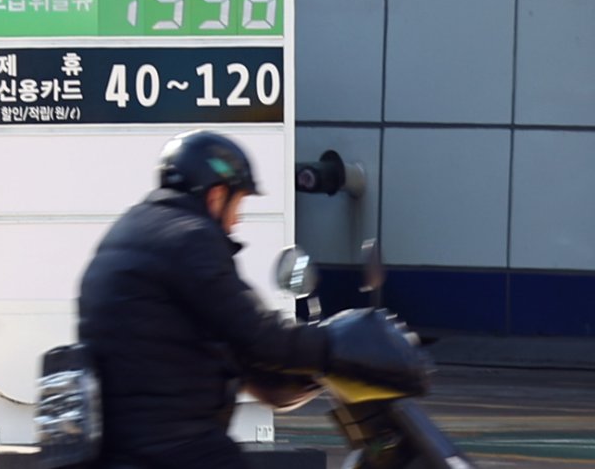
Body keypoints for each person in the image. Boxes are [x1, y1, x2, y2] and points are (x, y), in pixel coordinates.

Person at [77, 130, 429, 469]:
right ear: (216, 195)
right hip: (174, 446)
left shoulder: (133, 229)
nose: (236, 219)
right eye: (239, 202)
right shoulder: (189, 238)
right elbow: (257, 335)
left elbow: (198, 331)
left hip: (128, 439)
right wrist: (336, 346)